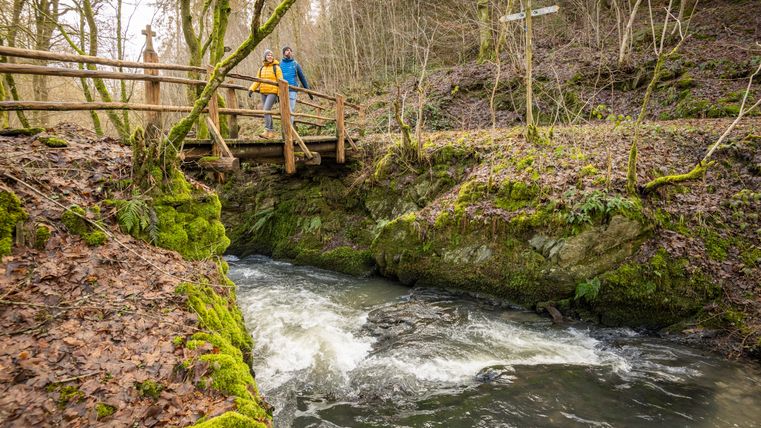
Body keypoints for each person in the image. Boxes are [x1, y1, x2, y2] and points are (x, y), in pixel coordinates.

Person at [248, 49, 283, 139]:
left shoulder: (276, 68)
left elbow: (281, 81)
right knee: (266, 112)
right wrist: (252, 89)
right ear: (265, 57)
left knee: (266, 110)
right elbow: (257, 80)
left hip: (273, 92)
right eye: (268, 55)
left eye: (271, 55)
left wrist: (279, 94)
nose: (270, 56)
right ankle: (269, 132)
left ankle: (268, 130)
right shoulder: (261, 68)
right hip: (263, 92)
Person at [279, 46, 313, 124]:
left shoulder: (295, 64)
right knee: (283, 110)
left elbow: (302, 78)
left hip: (292, 90)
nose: (289, 52)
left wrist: (308, 91)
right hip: (282, 90)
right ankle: (285, 129)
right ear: (283, 53)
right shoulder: (280, 64)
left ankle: (290, 129)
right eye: (287, 50)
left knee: (291, 109)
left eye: (290, 50)